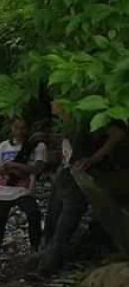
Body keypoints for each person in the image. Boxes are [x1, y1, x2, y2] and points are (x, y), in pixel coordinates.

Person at [36, 102, 128, 275]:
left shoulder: (86, 120)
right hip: (64, 176)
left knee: (64, 227)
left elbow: (117, 134)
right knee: (51, 222)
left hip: (78, 180)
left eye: (56, 103)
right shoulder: (68, 124)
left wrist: (93, 159)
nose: (53, 106)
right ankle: (44, 258)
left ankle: (48, 266)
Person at [0, 118, 47, 268]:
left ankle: (35, 248)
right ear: (12, 129)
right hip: (2, 190)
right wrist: (6, 170)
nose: (20, 131)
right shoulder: (3, 146)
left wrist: (14, 165)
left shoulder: (36, 147)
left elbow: (37, 168)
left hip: (23, 190)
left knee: (33, 214)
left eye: (23, 128)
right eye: (17, 128)